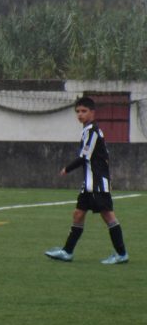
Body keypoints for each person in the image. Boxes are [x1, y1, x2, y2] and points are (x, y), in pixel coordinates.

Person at [45, 96, 129, 264]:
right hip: (89, 185)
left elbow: (84, 157)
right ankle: (67, 252)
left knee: (108, 216)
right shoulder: (87, 130)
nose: (80, 114)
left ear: (92, 112)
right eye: (78, 111)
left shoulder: (93, 131)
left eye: (84, 111)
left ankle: (121, 254)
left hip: (97, 183)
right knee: (78, 214)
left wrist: (66, 169)